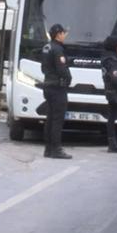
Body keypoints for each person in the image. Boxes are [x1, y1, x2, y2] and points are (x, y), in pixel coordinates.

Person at [41, 24, 73, 159]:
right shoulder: (58, 49)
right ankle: (56, 149)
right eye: (63, 33)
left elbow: (43, 68)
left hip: (48, 86)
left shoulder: (46, 47)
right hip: (57, 88)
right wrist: (69, 78)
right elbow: (62, 69)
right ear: (58, 34)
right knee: (57, 120)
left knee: (50, 119)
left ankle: (48, 149)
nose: (65, 35)